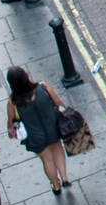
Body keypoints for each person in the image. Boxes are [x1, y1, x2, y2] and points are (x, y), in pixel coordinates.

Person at [5, 66, 70, 194]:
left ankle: (56, 185)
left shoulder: (12, 102)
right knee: (58, 150)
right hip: (53, 128)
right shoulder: (43, 87)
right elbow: (57, 101)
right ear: (26, 76)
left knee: (47, 160)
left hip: (35, 136)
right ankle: (64, 177)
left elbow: (11, 122)